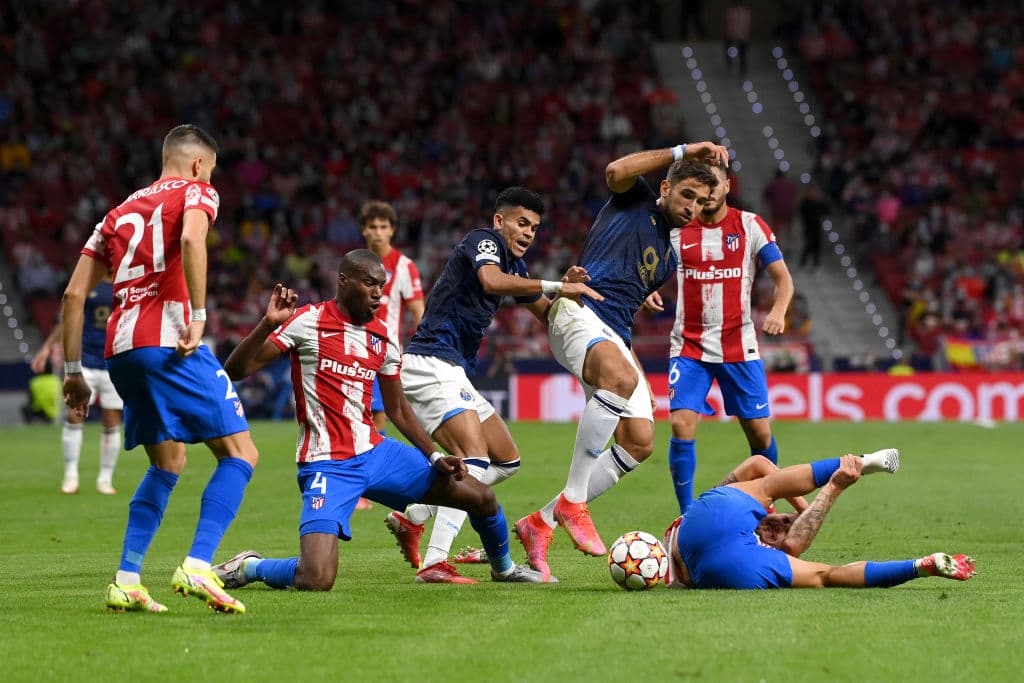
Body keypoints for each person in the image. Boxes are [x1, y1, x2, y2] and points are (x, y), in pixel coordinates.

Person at [213, 251, 550, 590]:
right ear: (344, 282)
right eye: (370, 284)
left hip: (377, 454)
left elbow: (399, 409)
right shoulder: (307, 321)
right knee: (316, 578)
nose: (378, 293)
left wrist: (434, 455)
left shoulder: (384, 336)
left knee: (480, 496)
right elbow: (235, 371)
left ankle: (503, 569)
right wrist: (268, 325)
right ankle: (249, 567)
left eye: (382, 286)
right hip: (327, 465)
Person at [62, 124, 259, 614]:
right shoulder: (198, 191)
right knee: (242, 452)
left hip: (119, 351)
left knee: (167, 462)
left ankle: (127, 578)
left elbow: (72, 295)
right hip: (168, 342)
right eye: (210, 169)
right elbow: (194, 239)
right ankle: (197, 565)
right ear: (198, 164)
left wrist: (72, 371)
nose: (210, 177)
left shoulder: (115, 213)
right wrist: (198, 315)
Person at [515, 142, 727, 580]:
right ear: (665, 188)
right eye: (686, 195)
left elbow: (624, 302)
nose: (692, 208)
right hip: (579, 311)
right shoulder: (636, 198)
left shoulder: (668, 256)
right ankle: (574, 501)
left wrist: (636, 354)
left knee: (639, 442)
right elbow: (615, 169)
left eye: (701, 203)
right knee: (618, 378)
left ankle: (540, 523)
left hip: (612, 330)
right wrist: (684, 150)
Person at [385, 187, 603, 583]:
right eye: (522, 223)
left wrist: (566, 295)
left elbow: (548, 313)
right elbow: (489, 281)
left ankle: (415, 514)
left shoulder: (516, 269)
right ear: (500, 221)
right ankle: (435, 561)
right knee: (475, 458)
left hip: (452, 369)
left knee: (505, 460)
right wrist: (556, 284)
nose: (528, 233)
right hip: (431, 361)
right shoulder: (482, 241)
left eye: (535, 228)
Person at [646, 161, 795, 516]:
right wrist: (646, 290)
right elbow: (649, 267)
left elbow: (784, 279)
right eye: (701, 186)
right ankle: (686, 516)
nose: (708, 192)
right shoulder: (678, 229)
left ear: (727, 186)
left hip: (738, 346)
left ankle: (764, 508)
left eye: (714, 184)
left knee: (760, 437)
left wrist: (778, 311)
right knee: (681, 425)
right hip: (689, 346)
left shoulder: (749, 225)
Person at [661, 449, 976, 589]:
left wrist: (801, 508)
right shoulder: (771, 552)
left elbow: (758, 464)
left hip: (696, 537)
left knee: (767, 488)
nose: (781, 524)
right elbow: (820, 566)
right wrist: (825, 493)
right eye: (784, 521)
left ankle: (857, 466)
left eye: (784, 525)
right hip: (723, 559)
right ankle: (856, 465)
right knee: (817, 569)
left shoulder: (716, 510)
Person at [356, 200, 425, 511]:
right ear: (364, 230)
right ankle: (365, 482)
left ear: (392, 230)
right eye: (372, 227)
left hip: (385, 354)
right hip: (353, 350)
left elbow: (417, 311)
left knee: (379, 416)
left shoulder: (403, 266)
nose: (378, 233)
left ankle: (369, 483)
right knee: (358, 416)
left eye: (384, 227)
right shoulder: (355, 264)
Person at [32, 275, 122, 495]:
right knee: (74, 416)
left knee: (111, 421)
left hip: (115, 361)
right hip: (85, 362)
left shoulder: (126, 282)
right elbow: (69, 317)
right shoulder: (89, 282)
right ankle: (71, 476)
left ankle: (105, 479)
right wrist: (47, 347)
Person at [798, 182, 829, 269]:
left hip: (817, 226)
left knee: (817, 245)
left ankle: (816, 263)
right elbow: (803, 214)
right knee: (808, 244)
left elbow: (827, 210)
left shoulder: (819, 203)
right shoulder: (805, 203)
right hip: (808, 226)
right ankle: (803, 263)